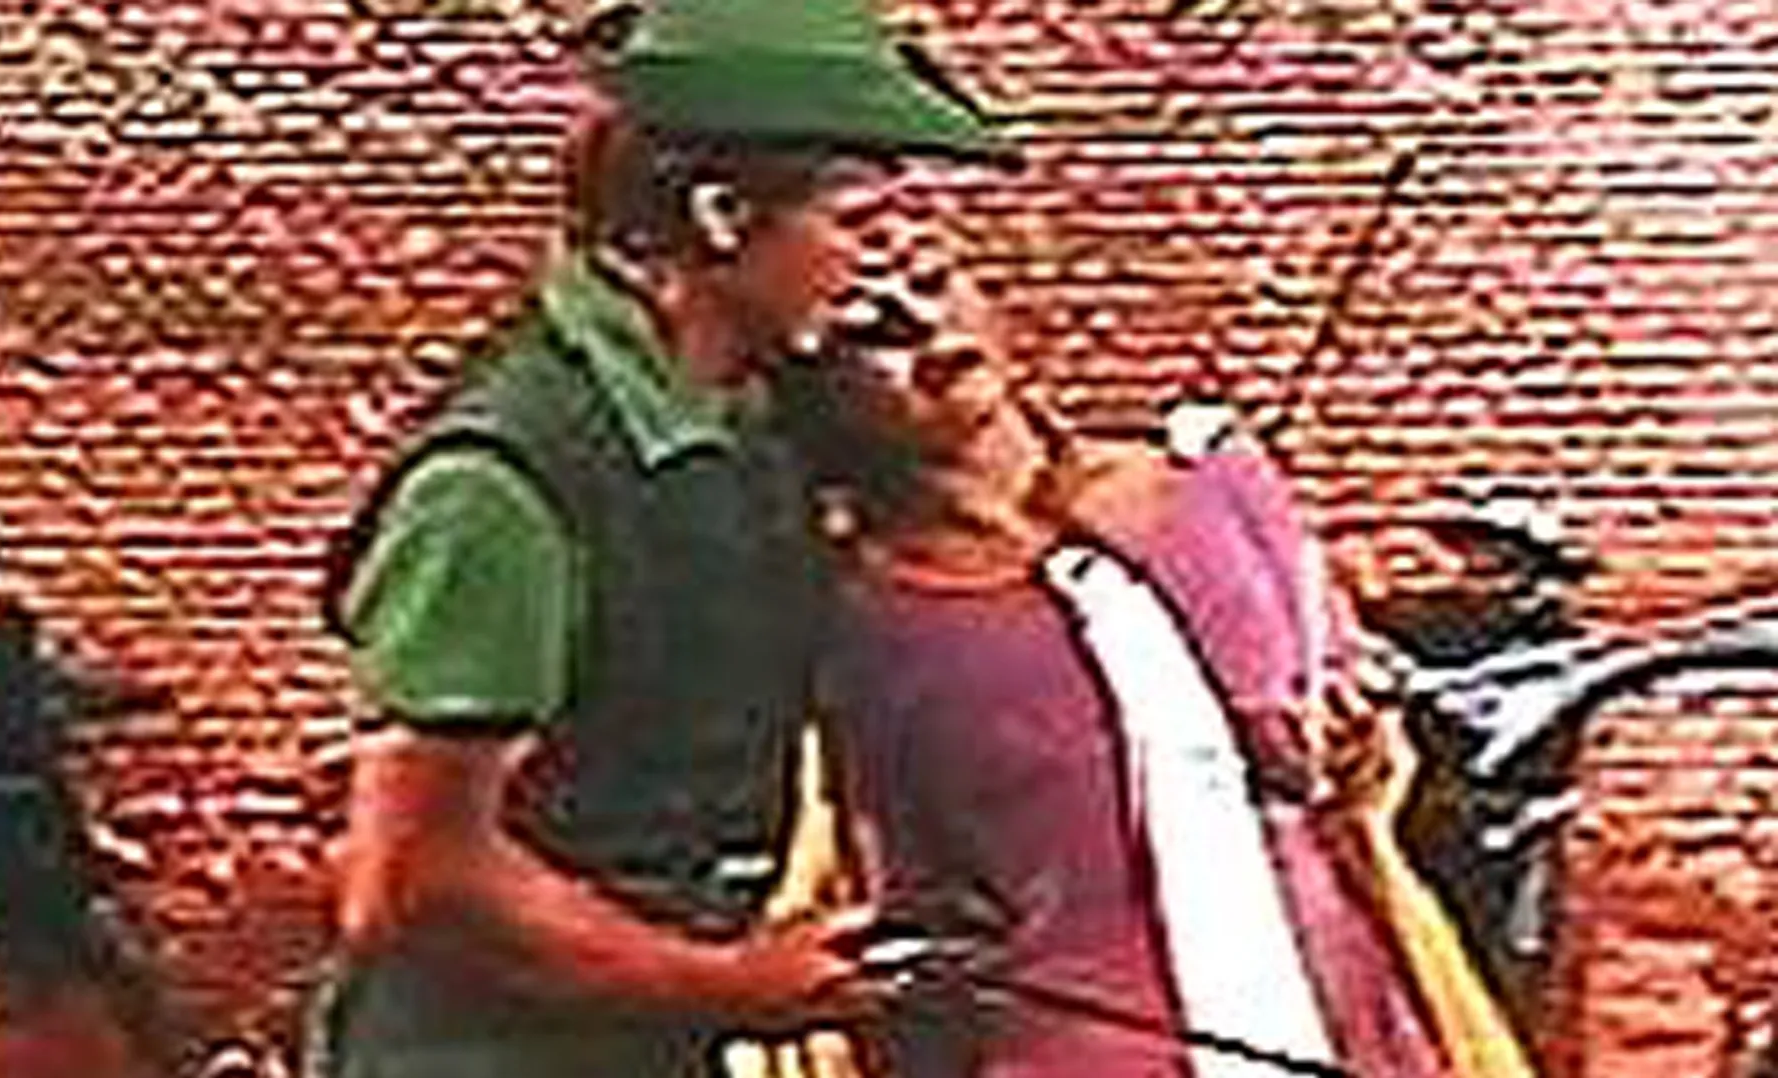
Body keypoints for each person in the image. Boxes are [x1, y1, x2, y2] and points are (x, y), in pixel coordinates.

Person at [315, 2, 1005, 1077]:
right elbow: (415, 880)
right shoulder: (501, 487)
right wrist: (724, 984)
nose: (881, 272)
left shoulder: (747, 410)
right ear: (722, 217)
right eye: (857, 227)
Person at [784, 265, 1524, 1078]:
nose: (923, 326)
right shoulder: (869, 629)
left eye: (932, 281)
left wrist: (1349, 730)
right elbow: (902, 895)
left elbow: (1316, 743)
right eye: (869, 327)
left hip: (1332, 1011)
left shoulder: (1202, 485)